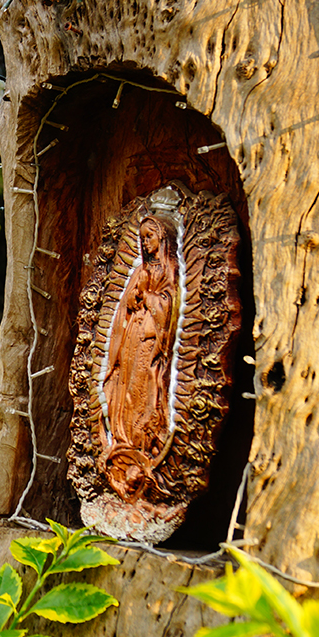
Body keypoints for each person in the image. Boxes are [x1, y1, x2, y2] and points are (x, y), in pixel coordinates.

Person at [101, 214, 180, 499]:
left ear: (162, 238)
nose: (145, 243)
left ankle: (142, 442)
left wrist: (149, 298)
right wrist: (135, 297)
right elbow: (126, 304)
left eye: (150, 237)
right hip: (133, 336)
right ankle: (121, 439)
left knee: (143, 389)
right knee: (125, 389)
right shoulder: (141, 270)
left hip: (151, 341)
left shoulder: (170, 271)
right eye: (142, 237)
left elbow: (169, 306)